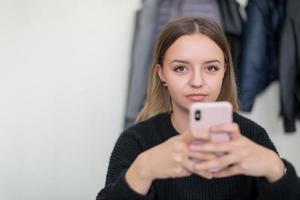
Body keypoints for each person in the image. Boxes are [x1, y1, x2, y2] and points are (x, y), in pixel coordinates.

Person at [97, 17, 299, 200]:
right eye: (181, 68)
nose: (197, 81)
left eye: (211, 68)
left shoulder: (253, 136)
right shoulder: (134, 141)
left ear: (224, 72)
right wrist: (143, 170)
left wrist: (275, 168)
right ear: (161, 74)